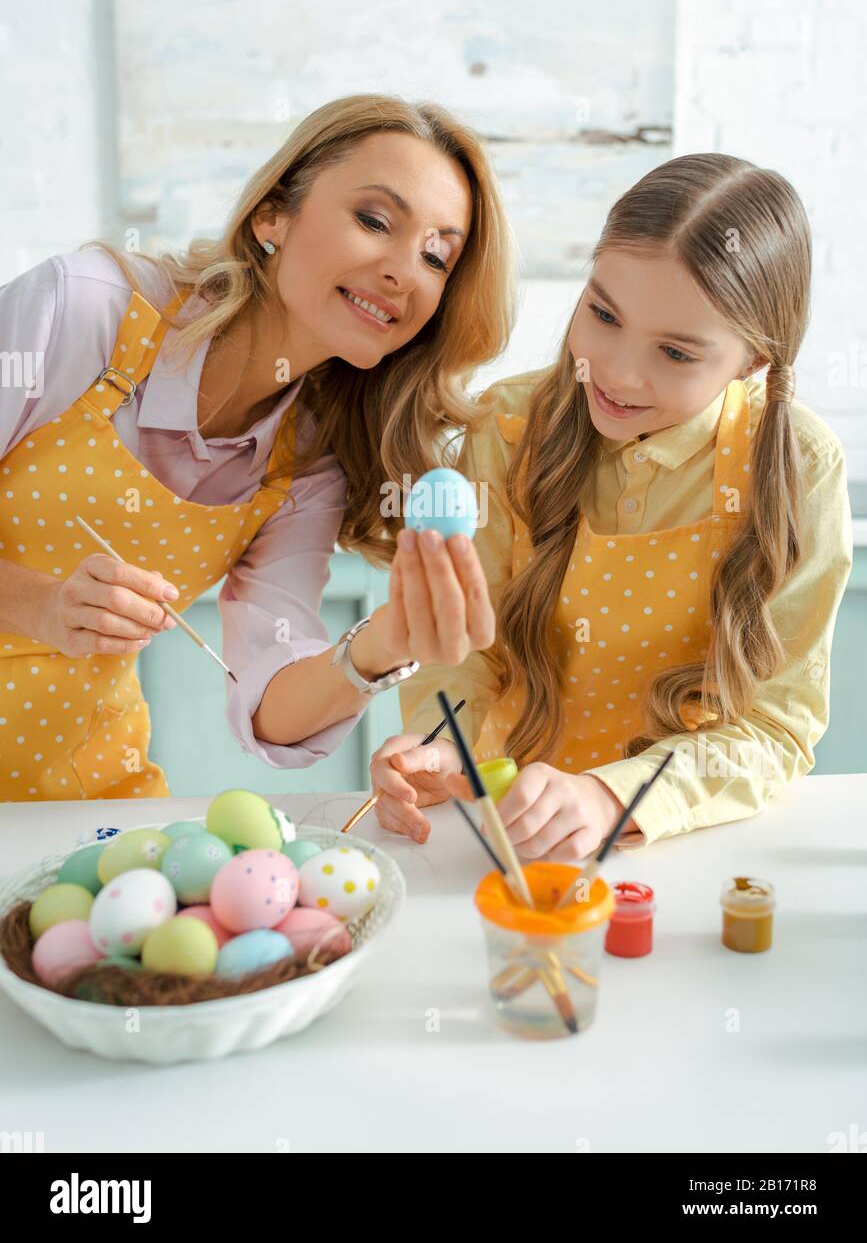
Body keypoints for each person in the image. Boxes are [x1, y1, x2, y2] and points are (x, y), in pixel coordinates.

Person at [0, 94, 514, 800]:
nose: (403, 270)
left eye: (436, 255)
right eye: (373, 220)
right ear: (272, 214)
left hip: (81, 796)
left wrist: (383, 643)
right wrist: (42, 606)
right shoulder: (82, 309)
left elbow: (273, 702)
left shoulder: (308, 461)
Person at [373, 153, 853, 857]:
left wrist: (609, 794)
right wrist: (448, 748)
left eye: (677, 354)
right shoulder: (504, 430)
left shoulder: (797, 467)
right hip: (502, 832)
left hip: (678, 847)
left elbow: (775, 729)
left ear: (752, 362)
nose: (618, 372)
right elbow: (466, 656)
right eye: (602, 313)